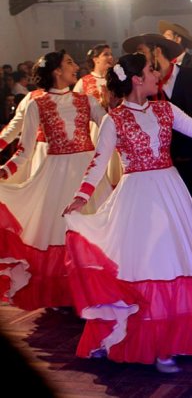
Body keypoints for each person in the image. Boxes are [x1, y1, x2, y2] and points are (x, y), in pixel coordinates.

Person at [62, 53, 192, 373]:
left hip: (171, 193)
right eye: (151, 71)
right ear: (137, 79)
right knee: (148, 265)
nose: (156, 75)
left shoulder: (166, 109)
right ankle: (150, 341)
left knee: (172, 262)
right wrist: (80, 198)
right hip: (137, 199)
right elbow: (98, 162)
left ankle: (172, 340)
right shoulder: (114, 119)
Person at [0, 50, 111, 309]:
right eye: (69, 63)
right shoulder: (36, 103)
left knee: (94, 229)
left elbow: (111, 128)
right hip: (55, 176)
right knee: (59, 232)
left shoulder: (87, 101)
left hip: (88, 174)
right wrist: (4, 171)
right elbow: (24, 150)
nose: (76, 67)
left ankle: (97, 290)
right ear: (56, 71)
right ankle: (69, 293)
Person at [122, 33, 192, 252]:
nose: (138, 58)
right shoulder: (144, 89)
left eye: (142, 52)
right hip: (166, 170)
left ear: (157, 52)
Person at [73, 43, 122, 186]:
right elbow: (75, 106)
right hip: (94, 129)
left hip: (115, 125)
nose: (110, 57)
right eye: (106, 54)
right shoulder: (84, 82)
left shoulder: (117, 80)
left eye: (111, 54)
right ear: (95, 59)